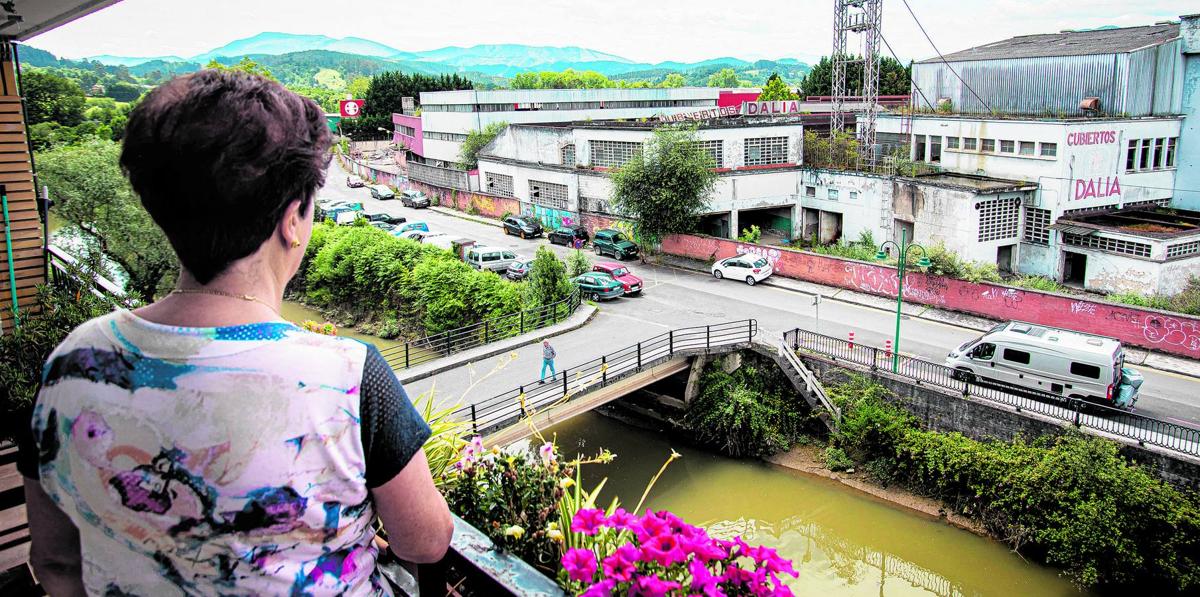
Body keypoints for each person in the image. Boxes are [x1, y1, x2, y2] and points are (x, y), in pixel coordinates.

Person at [18, 69, 452, 596]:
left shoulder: (73, 361)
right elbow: (426, 542)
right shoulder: (347, 378)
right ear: (293, 219)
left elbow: (57, 562)